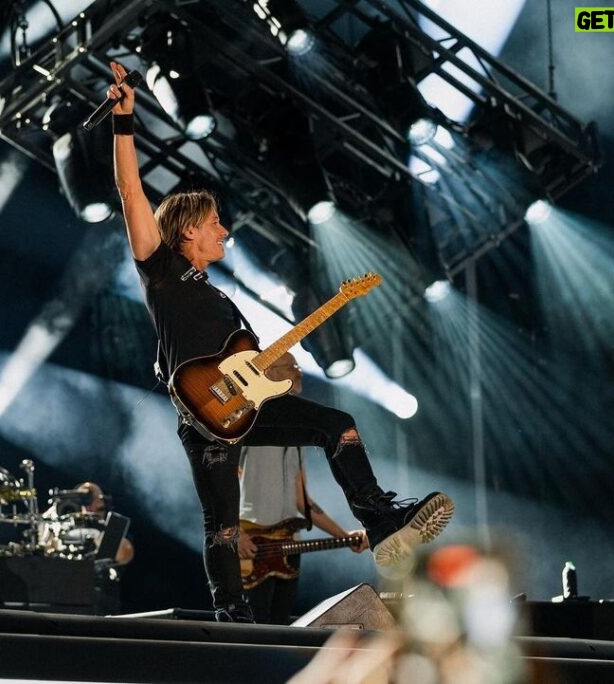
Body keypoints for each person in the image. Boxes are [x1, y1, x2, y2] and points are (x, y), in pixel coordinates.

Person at [108, 60, 454, 622]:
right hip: (201, 412)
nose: (224, 231)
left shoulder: (221, 299)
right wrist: (124, 122)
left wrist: (283, 376)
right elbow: (129, 189)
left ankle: (383, 521)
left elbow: (255, 369)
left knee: (335, 425)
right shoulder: (161, 270)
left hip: (243, 406)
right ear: (189, 228)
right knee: (222, 523)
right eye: (215, 222)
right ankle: (232, 613)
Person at [238, 352, 368, 625]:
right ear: (269, 372)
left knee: (282, 627)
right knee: (253, 630)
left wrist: (344, 535)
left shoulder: (298, 432)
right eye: (291, 366)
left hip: (288, 547)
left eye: (298, 366)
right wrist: (234, 533)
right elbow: (220, 482)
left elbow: (303, 502)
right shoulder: (247, 421)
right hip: (251, 546)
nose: (298, 372)